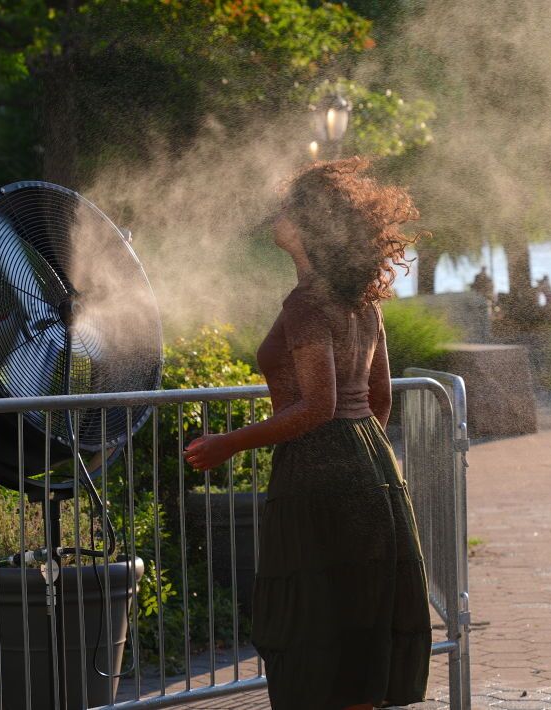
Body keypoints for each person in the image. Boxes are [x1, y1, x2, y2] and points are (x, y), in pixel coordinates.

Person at [183, 157, 432, 709]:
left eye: (287, 209)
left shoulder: (306, 305)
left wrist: (228, 443)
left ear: (307, 228)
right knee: (357, 626)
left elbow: (316, 406)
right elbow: (379, 398)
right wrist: (360, 462)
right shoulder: (362, 300)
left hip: (318, 474)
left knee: (316, 628)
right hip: (371, 466)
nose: (277, 215)